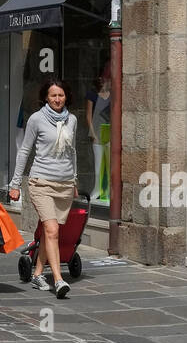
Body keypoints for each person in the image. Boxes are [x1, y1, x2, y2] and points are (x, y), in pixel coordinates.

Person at [9, 78, 78, 300]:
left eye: (61, 95)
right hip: (41, 182)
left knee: (51, 233)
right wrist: (15, 183)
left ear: (66, 96)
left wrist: (74, 180)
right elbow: (24, 151)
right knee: (52, 231)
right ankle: (58, 280)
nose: (57, 99)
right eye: (53, 96)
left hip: (65, 184)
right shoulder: (36, 119)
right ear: (46, 98)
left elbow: (72, 152)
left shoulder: (72, 120)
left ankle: (38, 273)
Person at [85, 61, 111, 204]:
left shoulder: (113, 94)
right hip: (97, 132)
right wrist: (93, 134)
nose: (103, 80)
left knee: (109, 165)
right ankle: (97, 189)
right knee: (98, 165)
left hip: (109, 132)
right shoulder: (92, 94)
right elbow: (88, 115)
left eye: (106, 77)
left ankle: (107, 191)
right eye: (102, 77)